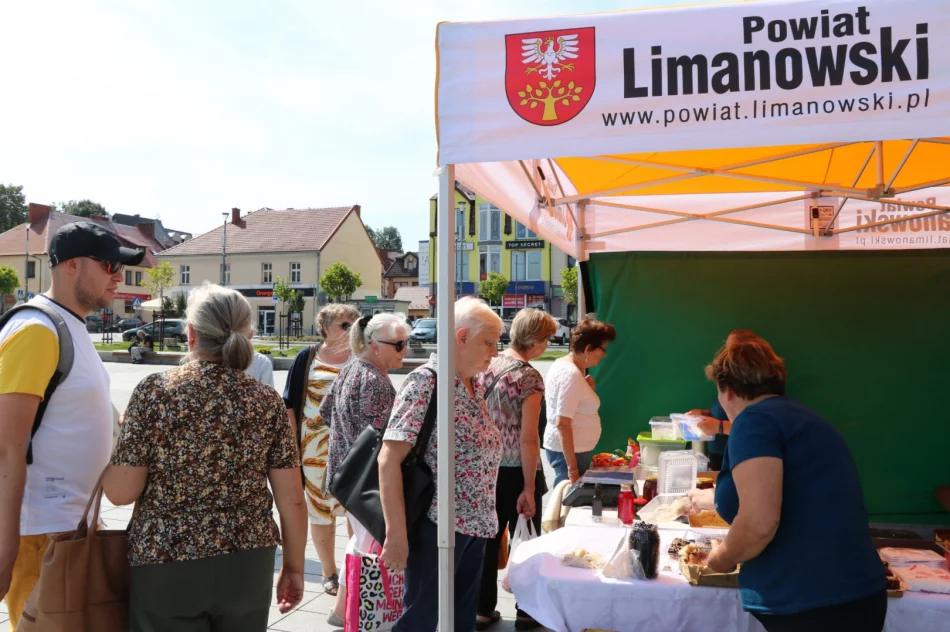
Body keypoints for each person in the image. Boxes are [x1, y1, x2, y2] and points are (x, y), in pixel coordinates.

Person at [103, 283, 308, 631]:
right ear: (248, 333)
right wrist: (294, 567)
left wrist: (115, 440)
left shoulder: (155, 393)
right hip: (247, 559)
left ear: (192, 333)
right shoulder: (266, 401)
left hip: (166, 557)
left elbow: (120, 493)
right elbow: (292, 500)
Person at [0, 221, 144, 630]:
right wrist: (6, 550)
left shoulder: (67, 325)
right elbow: (6, 445)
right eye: (109, 265)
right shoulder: (36, 330)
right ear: (72, 266)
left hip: (68, 527)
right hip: (39, 531)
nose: (119, 277)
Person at [696, 330, 886, 632]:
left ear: (727, 390)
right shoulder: (800, 417)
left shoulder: (754, 421)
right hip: (850, 593)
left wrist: (722, 557)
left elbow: (759, 523)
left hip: (814, 602)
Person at [378, 297, 503, 632]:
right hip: (437, 527)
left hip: (474, 526)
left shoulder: (473, 384)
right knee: (421, 621)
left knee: (460, 622)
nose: (495, 352)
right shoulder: (426, 382)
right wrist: (396, 535)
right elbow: (389, 458)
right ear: (461, 337)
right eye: (489, 343)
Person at [318, 313, 411, 628]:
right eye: (398, 345)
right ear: (374, 345)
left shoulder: (351, 368)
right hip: (364, 482)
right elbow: (382, 441)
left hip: (345, 477)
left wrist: (343, 442)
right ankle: (355, 612)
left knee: (360, 543)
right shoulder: (375, 382)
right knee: (366, 547)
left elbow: (325, 411)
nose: (405, 350)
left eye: (406, 343)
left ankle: (343, 609)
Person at [475, 308, 555, 631]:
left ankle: (481, 609)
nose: (548, 345)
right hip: (517, 470)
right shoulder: (529, 377)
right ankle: (526, 610)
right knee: (526, 541)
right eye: (547, 339)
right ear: (534, 341)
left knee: (487, 541)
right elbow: (528, 438)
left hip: (485, 469)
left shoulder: (485, 365)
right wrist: (529, 487)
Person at [282, 303, 360, 596]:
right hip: (312, 451)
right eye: (344, 324)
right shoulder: (307, 357)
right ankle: (329, 572)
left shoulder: (362, 356)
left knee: (356, 512)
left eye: (355, 323)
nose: (351, 329)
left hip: (353, 450)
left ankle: (357, 569)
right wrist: (291, 448)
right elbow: (290, 404)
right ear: (326, 327)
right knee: (320, 511)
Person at [542, 319, 616, 487]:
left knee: (568, 501)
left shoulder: (567, 368)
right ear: (588, 348)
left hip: (569, 451)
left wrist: (586, 388)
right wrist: (572, 469)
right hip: (569, 453)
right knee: (568, 501)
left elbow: (570, 403)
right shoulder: (571, 374)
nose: (604, 354)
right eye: (602, 349)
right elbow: (562, 423)